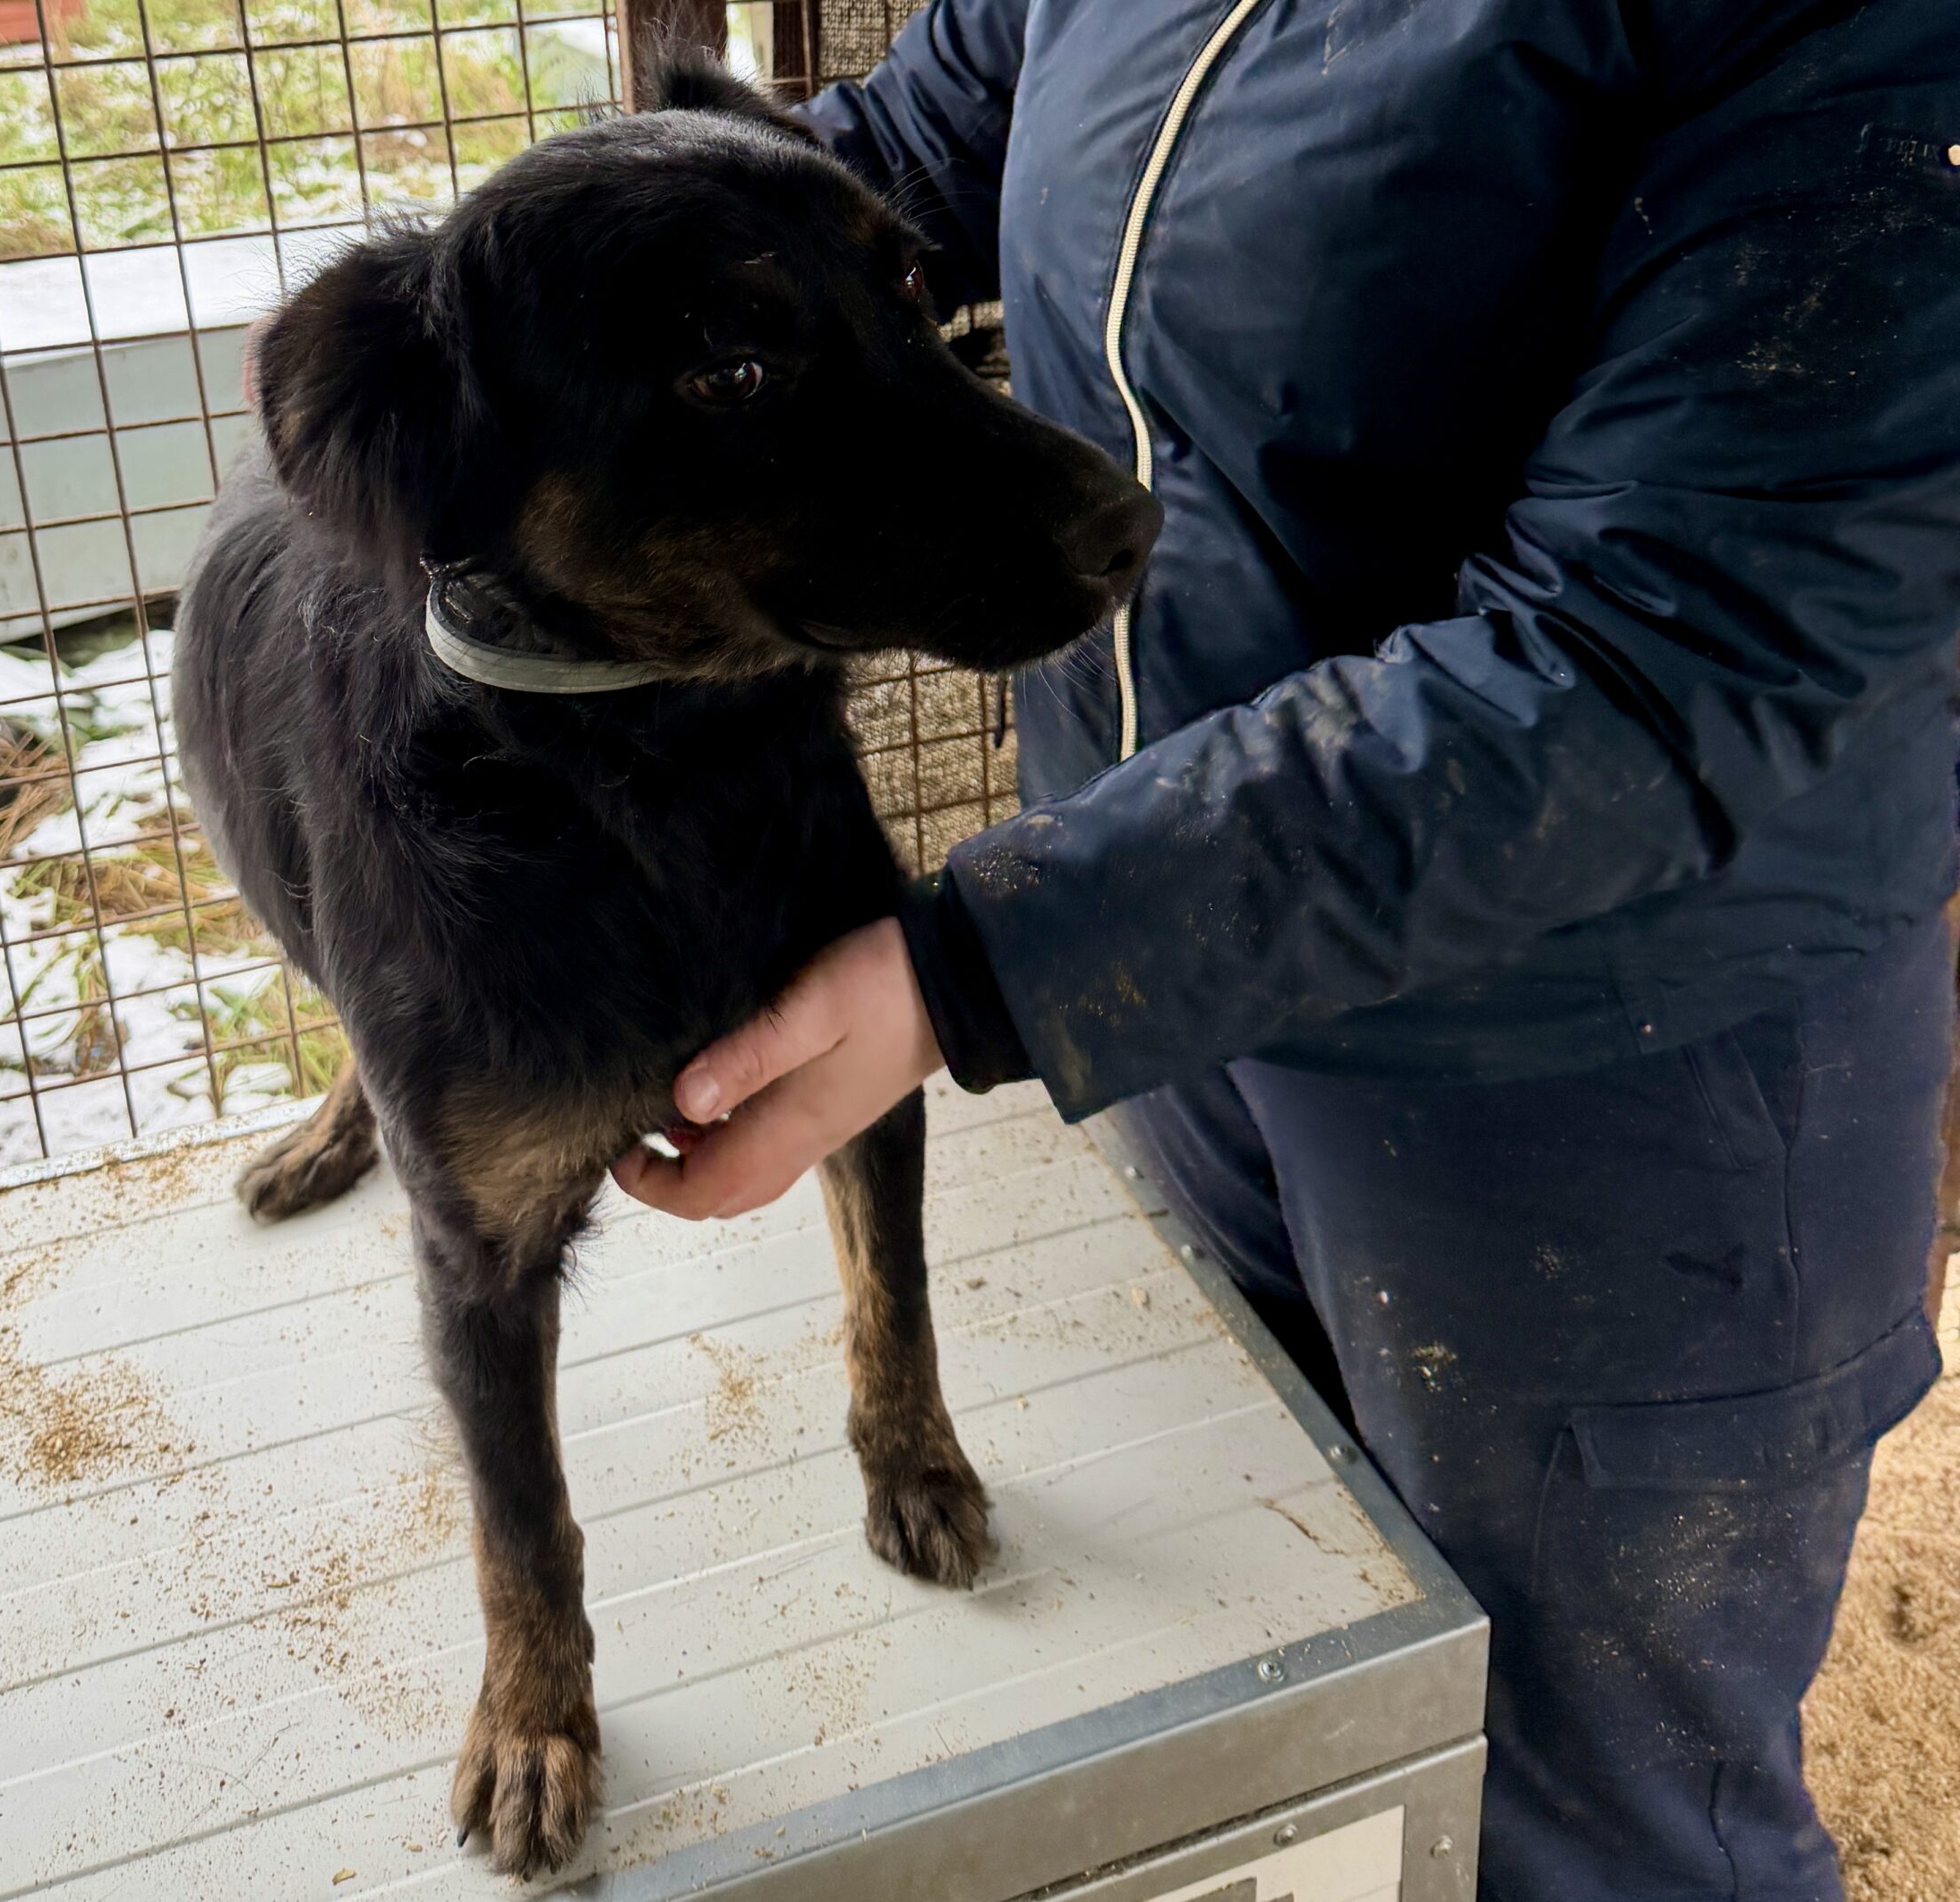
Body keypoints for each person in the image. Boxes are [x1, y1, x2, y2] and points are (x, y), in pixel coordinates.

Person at [611, 3, 1960, 1897]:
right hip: (1195, 981)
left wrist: (981, 967)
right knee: (1314, 1699)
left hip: (1604, 1086)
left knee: (1588, 1811)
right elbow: (903, 147)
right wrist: (519, 306)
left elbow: (1666, 647)